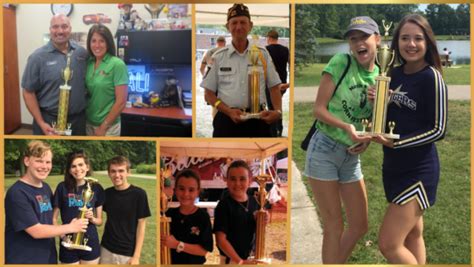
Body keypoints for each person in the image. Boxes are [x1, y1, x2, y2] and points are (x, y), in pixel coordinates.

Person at [303, 16, 380, 263]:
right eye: (353, 38)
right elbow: (319, 109)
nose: (358, 43)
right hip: (324, 148)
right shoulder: (341, 62)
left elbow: (368, 122)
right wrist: (346, 127)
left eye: (364, 37)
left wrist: (365, 140)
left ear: (377, 39)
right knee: (334, 226)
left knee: (359, 225)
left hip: (350, 156)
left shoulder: (381, 76)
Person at [373, 14, 447, 264]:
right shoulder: (392, 73)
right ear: (397, 42)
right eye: (405, 38)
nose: (411, 44)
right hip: (393, 168)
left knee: (389, 244)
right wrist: (379, 102)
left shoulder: (431, 77)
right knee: (413, 235)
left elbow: (438, 129)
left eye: (418, 38)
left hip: (418, 171)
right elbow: (386, 124)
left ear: (428, 42)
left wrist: (398, 142)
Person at [201, 4, 288, 137]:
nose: (239, 27)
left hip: (258, 119)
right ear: (227, 26)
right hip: (226, 120)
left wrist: (278, 111)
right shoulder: (218, 57)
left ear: (250, 25)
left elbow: (274, 88)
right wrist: (228, 111)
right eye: (234, 22)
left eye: (243, 22)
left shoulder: (262, 54)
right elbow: (208, 94)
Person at [5, 141, 89, 264]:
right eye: (39, 161)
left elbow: (48, 219)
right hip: (24, 259)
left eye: (48, 162)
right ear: (27, 161)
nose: (44, 166)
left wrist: (65, 236)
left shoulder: (45, 188)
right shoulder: (17, 193)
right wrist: (70, 227)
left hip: (48, 256)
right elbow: (36, 231)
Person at [22, 14, 88, 135]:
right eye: (55, 27)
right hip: (49, 121)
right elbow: (28, 92)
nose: (60, 31)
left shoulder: (82, 54)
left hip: (78, 121)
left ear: (70, 29)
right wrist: (40, 122)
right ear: (50, 30)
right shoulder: (37, 57)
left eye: (64, 26)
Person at [53, 151, 105, 264]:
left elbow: (100, 221)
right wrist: (63, 237)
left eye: (81, 165)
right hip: (68, 244)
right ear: (69, 170)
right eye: (73, 166)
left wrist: (92, 219)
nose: (77, 169)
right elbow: (53, 219)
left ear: (87, 167)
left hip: (89, 242)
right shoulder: (62, 188)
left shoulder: (96, 188)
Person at [213, 160, 268, 264]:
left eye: (242, 179)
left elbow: (257, 230)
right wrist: (239, 261)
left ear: (250, 181)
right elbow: (221, 240)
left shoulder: (255, 201)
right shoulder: (224, 205)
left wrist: (263, 219)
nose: (237, 183)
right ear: (227, 181)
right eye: (233, 179)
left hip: (251, 258)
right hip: (231, 261)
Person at [100, 156, 151, 264]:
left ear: (128, 172)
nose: (117, 175)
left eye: (121, 171)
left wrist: (136, 256)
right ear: (109, 173)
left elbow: (141, 225)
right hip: (105, 249)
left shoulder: (139, 194)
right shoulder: (106, 194)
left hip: (127, 253)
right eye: (113, 171)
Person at [161, 169, 213, 264]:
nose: (186, 194)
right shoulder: (168, 214)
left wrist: (177, 244)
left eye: (191, 190)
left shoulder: (203, 217)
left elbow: (204, 250)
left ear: (198, 192)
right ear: (175, 190)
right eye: (181, 188)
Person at [85, 24, 129, 136]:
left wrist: (103, 127)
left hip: (108, 127)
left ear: (108, 43)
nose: (97, 45)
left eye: (102, 41)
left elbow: (121, 102)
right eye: (93, 41)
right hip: (88, 123)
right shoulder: (89, 63)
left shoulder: (117, 64)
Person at [265, 29, 289, 137]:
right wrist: (289, 83)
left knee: (271, 107)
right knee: (278, 105)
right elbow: (291, 64)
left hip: (270, 84)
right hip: (283, 84)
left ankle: (274, 131)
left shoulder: (265, 50)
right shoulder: (285, 50)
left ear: (269, 38)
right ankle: (279, 128)